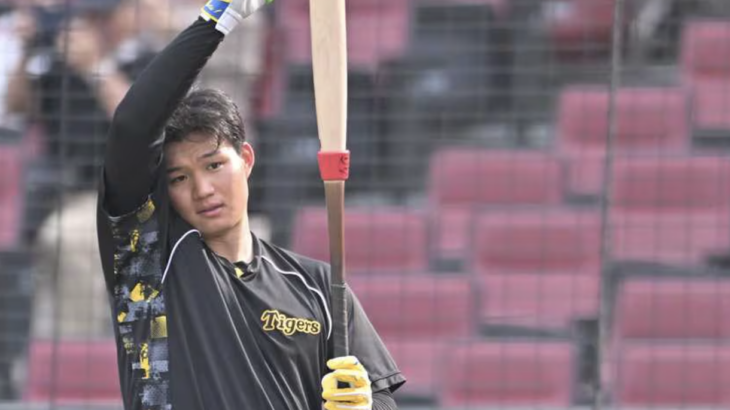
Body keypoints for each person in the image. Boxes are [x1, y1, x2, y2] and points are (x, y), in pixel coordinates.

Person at [96, 0, 405, 409]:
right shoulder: (150, 261)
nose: (203, 188)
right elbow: (133, 125)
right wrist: (218, 17)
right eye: (179, 178)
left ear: (246, 160)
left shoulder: (320, 288)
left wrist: (366, 406)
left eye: (214, 164)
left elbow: (379, 398)